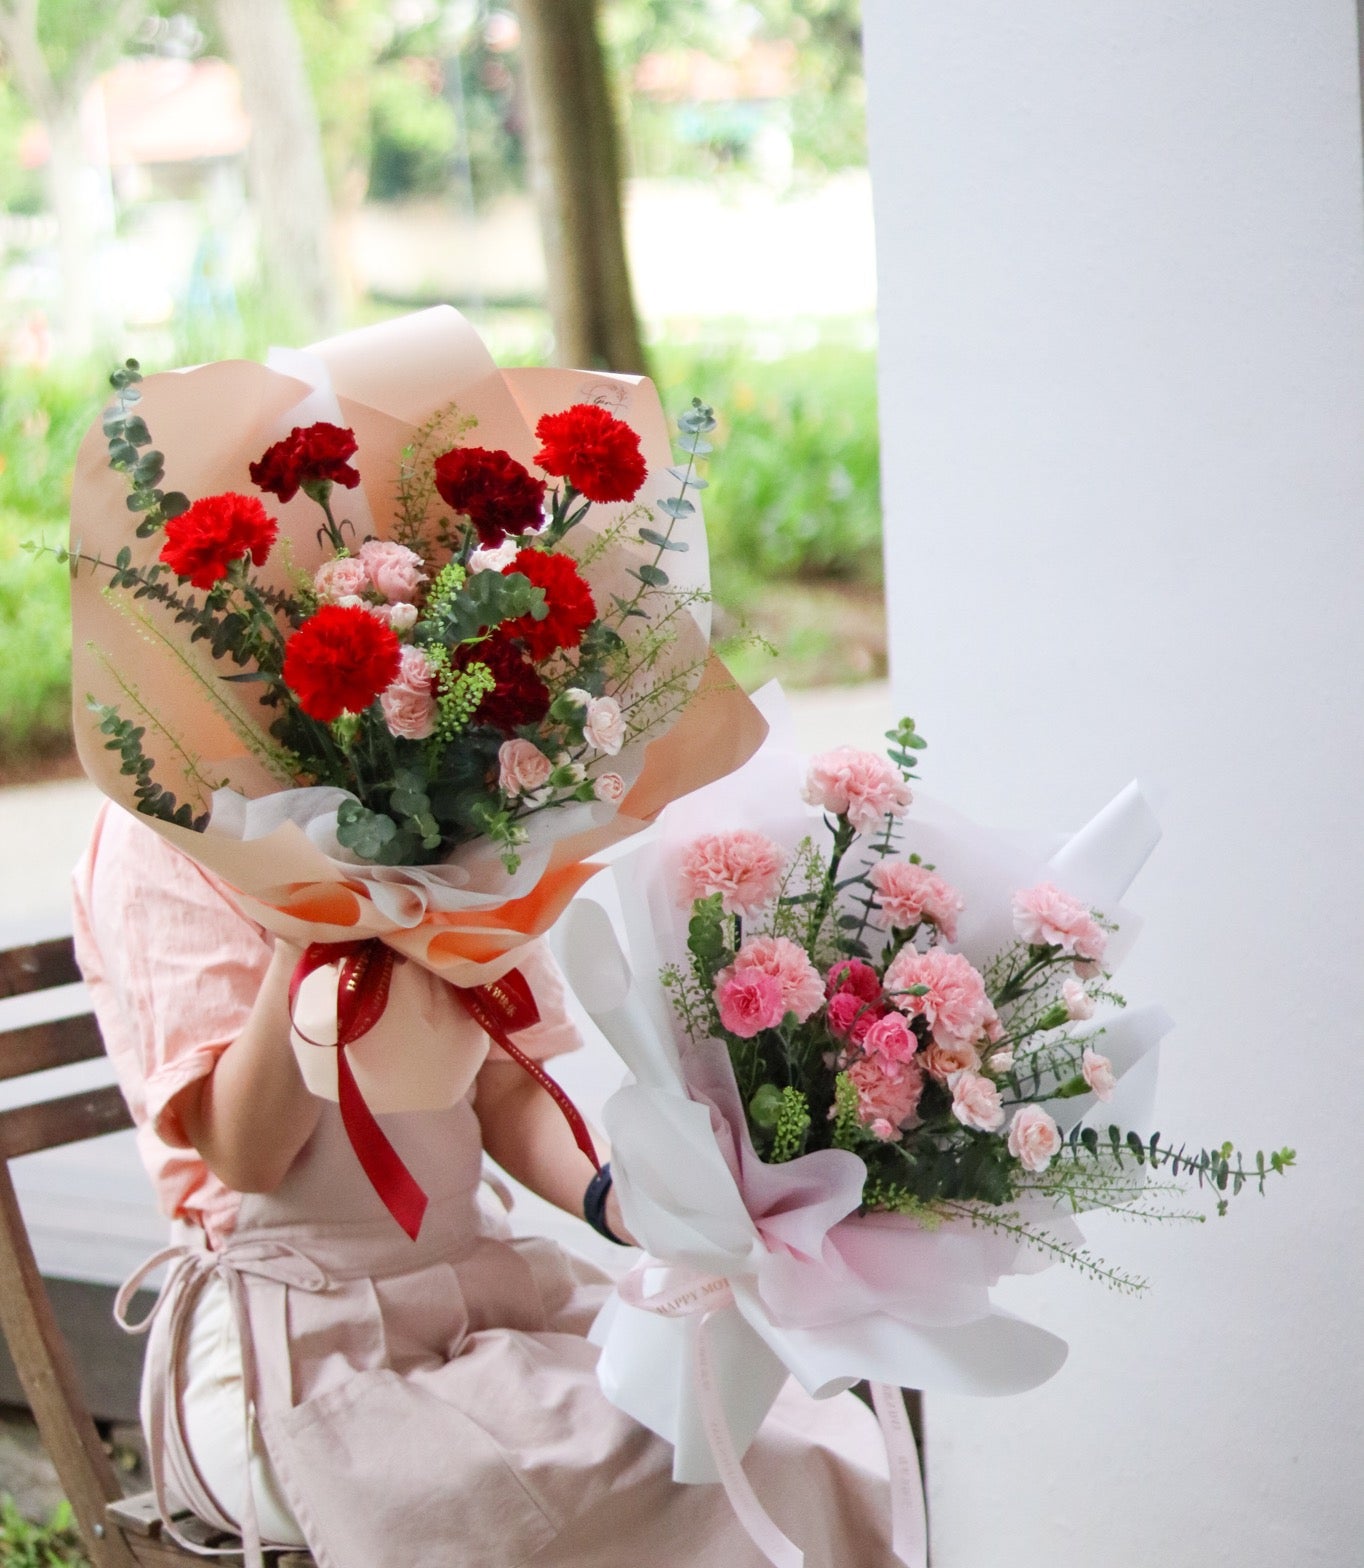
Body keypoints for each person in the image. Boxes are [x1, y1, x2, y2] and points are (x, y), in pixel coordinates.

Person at [74, 799, 898, 1568]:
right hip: (290, 1349)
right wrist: (306, 927)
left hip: (484, 1299)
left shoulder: (426, 787)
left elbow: (506, 1091)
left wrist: (626, 1198)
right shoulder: (164, 831)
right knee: (597, 1480)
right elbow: (244, 1156)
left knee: (785, 1436)